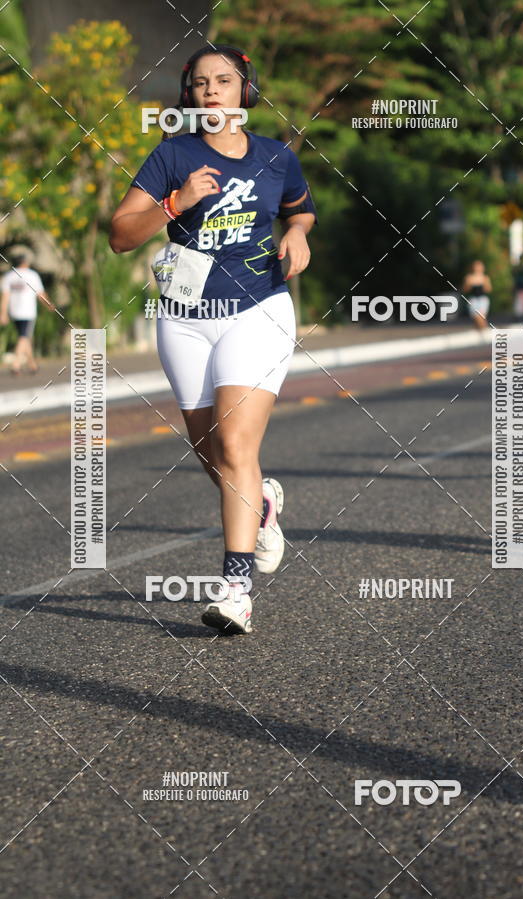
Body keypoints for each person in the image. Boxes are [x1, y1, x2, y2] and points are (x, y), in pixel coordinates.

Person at [109, 44, 317, 633]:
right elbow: (121, 236)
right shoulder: (172, 155)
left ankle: (235, 589)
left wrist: (299, 232)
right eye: (200, 83)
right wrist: (177, 202)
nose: (211, 91)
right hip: (183, 313)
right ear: (188, 94)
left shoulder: (277, 157)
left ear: (244, 91)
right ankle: (265, 508)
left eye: (223, 81)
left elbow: (301, 211)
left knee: (235, 449)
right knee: (212, 453)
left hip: (259, 308)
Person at [0, 253, 53, 374]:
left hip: (14, 311)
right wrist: (48, 304)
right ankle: (16, 364)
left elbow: (5, 297)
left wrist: (3, 313)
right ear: (24, 262)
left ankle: (32, 365)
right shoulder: (32, 275)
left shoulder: (9, 276)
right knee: (23, 337)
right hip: (28, 312)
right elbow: (40, 293)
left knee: (24, 336)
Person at [462, 260, 492, 331]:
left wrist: (483, 284)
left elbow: (489, 289)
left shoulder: (485, 278)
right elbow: (465, 290)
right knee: (476, 319)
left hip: (482, 300)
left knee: (481, 318)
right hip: (473, 300)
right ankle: (482, 333)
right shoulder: (469, 277)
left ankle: (484, 332)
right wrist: (469, 284)